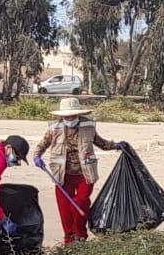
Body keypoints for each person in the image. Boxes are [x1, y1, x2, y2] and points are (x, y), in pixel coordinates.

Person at [32, 97, 128, 244]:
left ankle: (80, 236)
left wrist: (116, 146)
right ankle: (69, 239)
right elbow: (41, 146)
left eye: (72, 115)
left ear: (78, 114)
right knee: (65, 208)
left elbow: (101, 143)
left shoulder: (88, 126)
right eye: (66, 116)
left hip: (85, 173)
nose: (69, 118)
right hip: (62, 174)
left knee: (81, 202)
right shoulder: (54, 128)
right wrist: (37, 156)